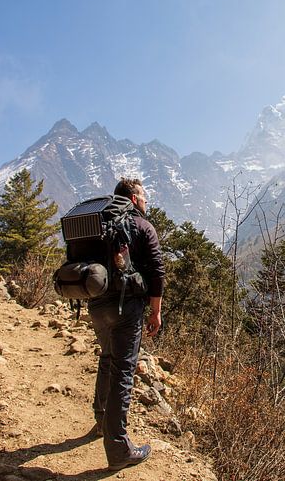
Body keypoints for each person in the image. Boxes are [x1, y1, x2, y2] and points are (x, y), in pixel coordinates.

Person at [88, 177, 164, 471]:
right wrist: (155, 312)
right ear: (134, 199)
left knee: (107, 359)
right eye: (144, 196)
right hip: (126, 306)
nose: (146, 202)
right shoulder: (142, 225)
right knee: (124, 371)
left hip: (96, 304)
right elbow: (157, 272)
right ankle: (118, 448)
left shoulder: (101, 223)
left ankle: (100, 421)